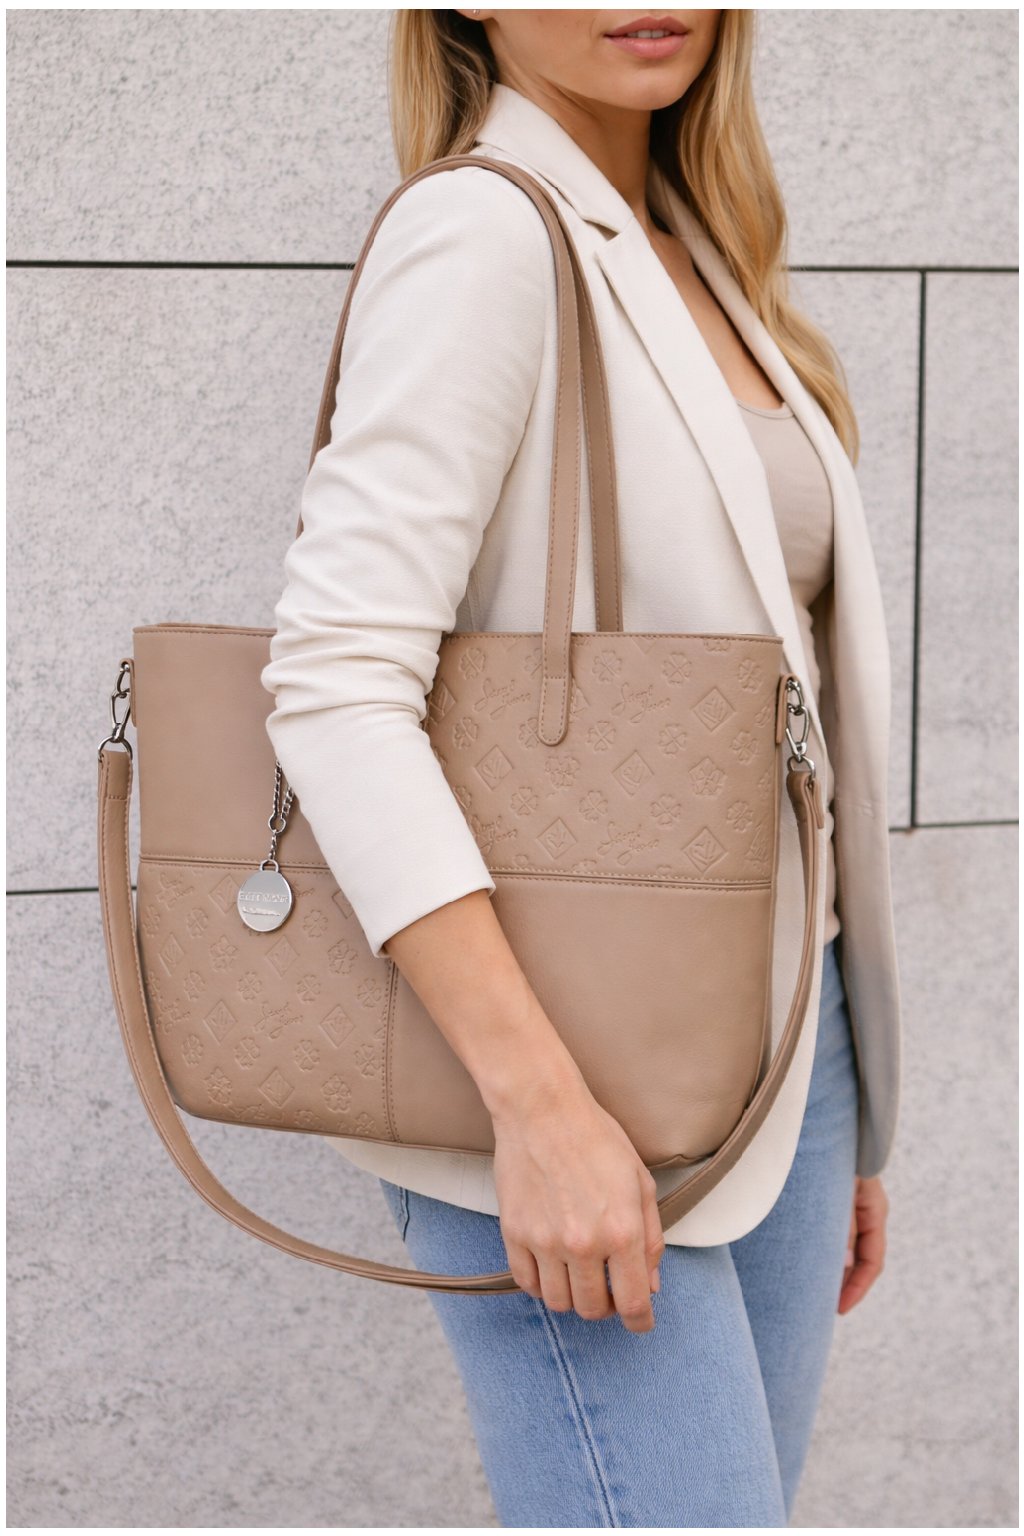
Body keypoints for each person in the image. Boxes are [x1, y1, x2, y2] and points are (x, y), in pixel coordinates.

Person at [260, 9, 901, 1526]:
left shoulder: (698, 250)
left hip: (782, 1061)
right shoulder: (482, 235)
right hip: (561, 1070)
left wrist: (839, 1113)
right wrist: (537, 1109)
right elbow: (338, 683)